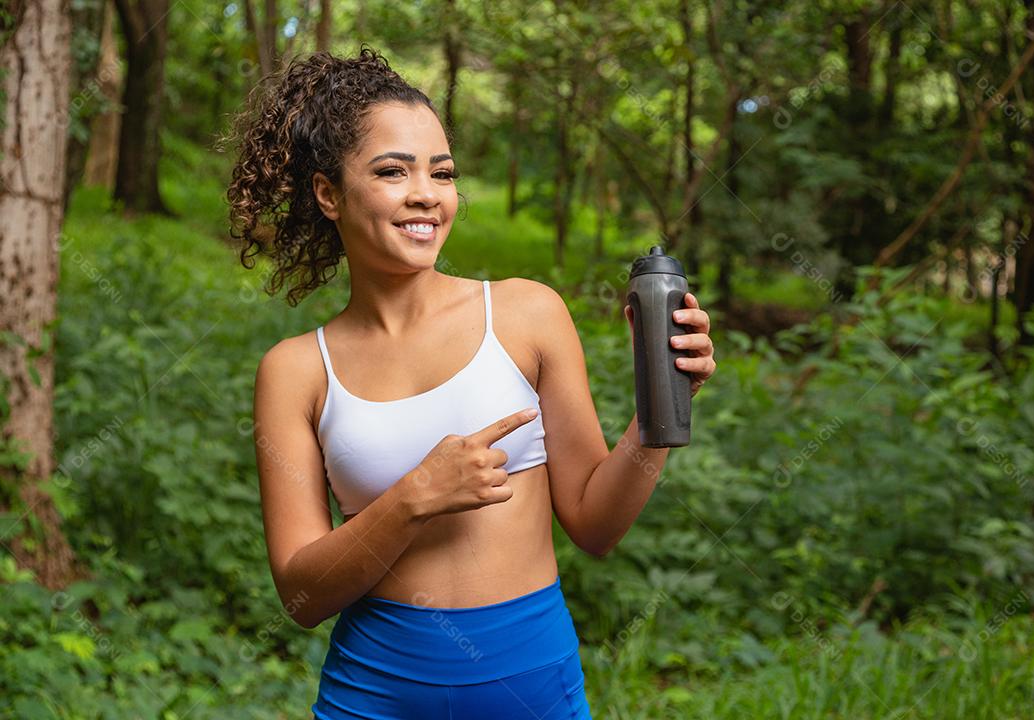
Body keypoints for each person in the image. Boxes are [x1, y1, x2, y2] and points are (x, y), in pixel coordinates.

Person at [226, 46, 716, 720]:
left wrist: (663, 410)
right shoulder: (296, 371)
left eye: (442, 172)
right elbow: (302, 598)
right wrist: (412, 499)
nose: (425, 193)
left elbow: (596, 526)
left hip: (532, 686)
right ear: (329, 193)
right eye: (393, 171)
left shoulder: (526, 314)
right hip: (373, 695)